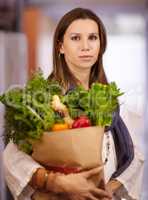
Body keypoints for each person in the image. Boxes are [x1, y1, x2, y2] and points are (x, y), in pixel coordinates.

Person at [3, 7, 144, 200]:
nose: (85, 46)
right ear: (60, 46)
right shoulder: (41, 99)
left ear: (101, 45)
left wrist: (108, 189)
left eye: (93, 38)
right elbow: (12, 157)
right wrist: (56, 182)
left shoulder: (112, 102)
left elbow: (134, 156)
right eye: (76, 38)